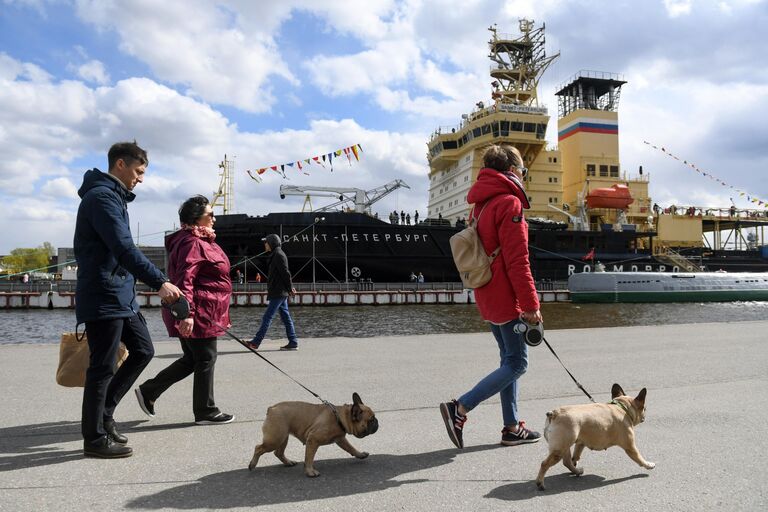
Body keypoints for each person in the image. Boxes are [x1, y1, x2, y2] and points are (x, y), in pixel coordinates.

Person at [74, 141, 182, 458]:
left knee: (143, 350)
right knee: (102, 367)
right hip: (104, 294)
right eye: (138, 171)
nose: (141, 178)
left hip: (120, 294)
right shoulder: (102, 198)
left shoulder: (113, 198)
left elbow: (121, 252)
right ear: (120, 164)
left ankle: (105, 414)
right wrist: (160, 281)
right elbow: (124, 248)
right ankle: (93, 439)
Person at [439, 144, 542, 449]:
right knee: (517, 364)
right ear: (512, 171)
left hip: (485, 291)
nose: (523, 175)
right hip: (506, 297)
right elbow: (517, 261)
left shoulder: (480, 205)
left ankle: (511, 428)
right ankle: (460, 407)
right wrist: (531, 305)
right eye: (522, 170)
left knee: (508, 360)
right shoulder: (509, 203)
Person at [135, 196, 234, 426]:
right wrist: (186, 314)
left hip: (204, 307)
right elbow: (184, 279)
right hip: (200, 310)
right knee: (206, 358)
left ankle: (149, 391)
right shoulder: (193, 242)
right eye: (210, 214)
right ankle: (205, 411)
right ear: (196, 218)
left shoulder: (199, 240)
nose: (214, 218)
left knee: (193, 359)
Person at [248, 234, 299, 350]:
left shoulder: (278, 255)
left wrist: (290, 288)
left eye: (266, 242)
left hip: (279, 292)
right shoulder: (275, 254)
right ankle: (293, 342)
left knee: (267, 317)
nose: (265, 244)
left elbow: (285, 273)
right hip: (279, 291)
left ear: (271, 243)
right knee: (286, 318)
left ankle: (256, 342)